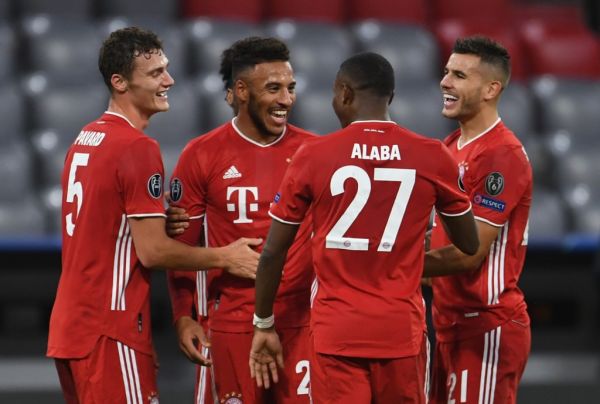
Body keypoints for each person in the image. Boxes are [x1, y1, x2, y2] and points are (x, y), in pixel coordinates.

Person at [46, 27, 261, 403]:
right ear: (120, 82)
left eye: (167, 69)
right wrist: (226, 257)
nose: (169, 80)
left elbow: (104, 222)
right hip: (111, 329)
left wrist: (156, 219)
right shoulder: (137, 147)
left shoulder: (86, 138)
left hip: (71, 329)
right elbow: (153, 253)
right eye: (156, 73)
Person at [250, 52, 479, 403]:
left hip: (336, 332)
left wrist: (264, 322)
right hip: (400, 330)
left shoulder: (313, 155)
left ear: (343, 92)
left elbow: (273, 252)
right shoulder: (432, 155)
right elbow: (468, 242)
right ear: (391, 97)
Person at [166, 36, 316, 403]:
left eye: (290, 88)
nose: (286, 100)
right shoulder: (201, 155)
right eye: (274, 88)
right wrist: (184, 315)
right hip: (232, 324)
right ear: (242, 90)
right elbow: (182, 245)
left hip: (302, 324)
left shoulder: (315, 153)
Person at [424, 36, 533, 404]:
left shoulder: (502, 154)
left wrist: (395, 265)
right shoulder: (449, 149)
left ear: (491, 88)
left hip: (486, 326)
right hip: (447, 324)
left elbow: (471, 253)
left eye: (458, 75)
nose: (445, 82)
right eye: (445, 72)